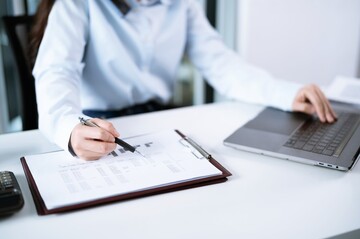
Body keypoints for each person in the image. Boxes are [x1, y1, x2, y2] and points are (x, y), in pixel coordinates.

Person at [31, 0, 336, 160]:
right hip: (98, 127)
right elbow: (56, 71)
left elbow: (222, 64)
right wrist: (68, 128)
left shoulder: (183, 4)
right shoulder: (76, 4)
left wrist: (286, 94)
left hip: (159, 119)